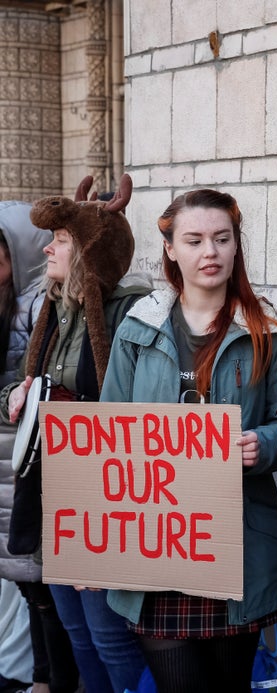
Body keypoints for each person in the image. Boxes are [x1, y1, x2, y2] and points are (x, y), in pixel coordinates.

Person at [101, 189, 277, 692]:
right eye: (194, 240)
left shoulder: (269, 331)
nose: (209, 252)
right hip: (154, 545)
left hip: (240, 546)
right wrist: (87, 546)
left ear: (236, 247)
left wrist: (262, 445)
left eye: (221, 239)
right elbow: (105, 435)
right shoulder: (137, 327)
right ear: (170, 249)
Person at [1, 177, 149, 693]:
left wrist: (72, 408)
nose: (48, 247)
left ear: (88, 249)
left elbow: (142, 408)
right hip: (51, 491)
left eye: (61, 239)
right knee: (75, 629)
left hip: (102, 494)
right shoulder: (51, 310)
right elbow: (20, 384)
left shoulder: (129, 312)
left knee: (109, 634)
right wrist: (17, 398)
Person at [0, 201, 60, 693]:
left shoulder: (35, 307)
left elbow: (26, 385)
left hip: (23, 459)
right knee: (24, 581)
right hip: (9, 459)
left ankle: (47, 678)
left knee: (39, 580)